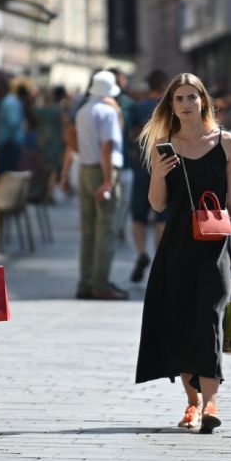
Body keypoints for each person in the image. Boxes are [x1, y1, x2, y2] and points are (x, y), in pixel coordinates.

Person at [135, 73, 231, 434]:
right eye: (178, 99)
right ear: (171, 106)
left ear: (204, 101)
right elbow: (158, 205)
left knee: (210, 316)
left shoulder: (227, 143)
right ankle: (192, 403)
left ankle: (211, 402)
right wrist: (159, 174)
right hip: (177, 248)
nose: (185, 104)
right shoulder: (164, 146)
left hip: (217, 247)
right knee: (182, 321)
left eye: (192, 97)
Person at [74, 70, 127, 300]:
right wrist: (108, 181)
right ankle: (100, 283)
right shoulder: (107, 112)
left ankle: (85, 281)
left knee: (88, 230)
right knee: (106, 229)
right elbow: (107, 147)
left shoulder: (83, 110)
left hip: (85, 169)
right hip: (102, 170)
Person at [128, 69, 170, 283]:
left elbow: (130, 134)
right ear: (164, 85)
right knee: (162, 216)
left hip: (141, 164)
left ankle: (142, 252)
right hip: (165, 163)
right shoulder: (169, 108)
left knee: (138, 215)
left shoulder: (137, 108)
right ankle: (159, 260)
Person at [109, 67, 137, 243]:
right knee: (109, 202)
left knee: (124, 201)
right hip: (102, 163)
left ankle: (118, 229)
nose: (122, 84)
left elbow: (135, 130)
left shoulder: (128, 104)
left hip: (125, 161)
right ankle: (110, 231)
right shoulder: (98, 103)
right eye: (119, 81)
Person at [0, 78, 25, 175]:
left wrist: (7, 141)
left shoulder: (8, 102)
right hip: (9, 144)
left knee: (6, 173)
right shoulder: (10, 100)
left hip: (9, 145)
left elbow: (13, 123)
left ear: (2, 88)